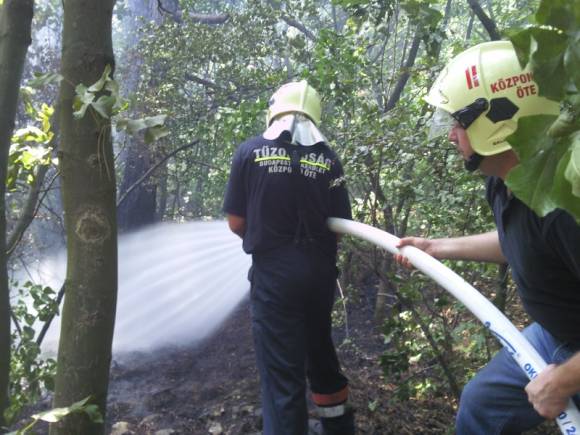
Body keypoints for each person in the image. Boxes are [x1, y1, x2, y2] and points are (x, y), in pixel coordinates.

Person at [394, 40, 580, 434]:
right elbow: (521, 245)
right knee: (481, 406)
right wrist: (435, 247)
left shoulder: (565, 204)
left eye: (459, 124)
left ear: (499, 121)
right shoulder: (505, 182)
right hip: (555, 333)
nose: (451, 136)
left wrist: (564, 379)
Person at [223, 80, 355, 435]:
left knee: (283, 375)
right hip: (319, 275)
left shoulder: (250, 152)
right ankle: (339, 429)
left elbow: (236, 222)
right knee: (321, 356)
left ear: (273, 111)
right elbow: (340, 226)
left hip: (275, 277)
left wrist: (270, 240)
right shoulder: (328, 158)